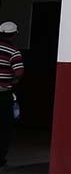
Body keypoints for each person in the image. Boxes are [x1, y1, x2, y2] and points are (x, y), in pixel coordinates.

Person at [0, 22, 24, 170]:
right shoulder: (13, 51)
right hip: (3, 94)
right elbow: (19, 71)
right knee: (4, 127)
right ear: (14, 35)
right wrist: (13, 80)